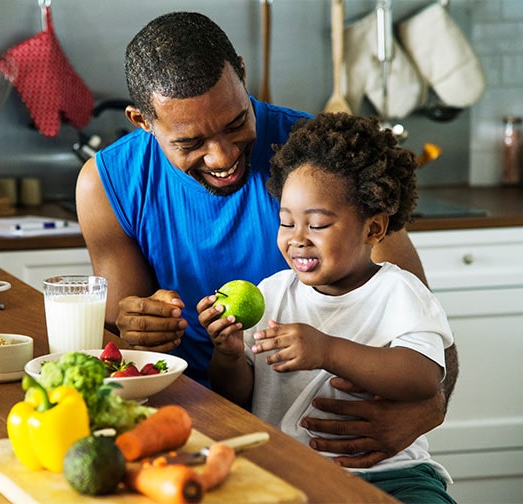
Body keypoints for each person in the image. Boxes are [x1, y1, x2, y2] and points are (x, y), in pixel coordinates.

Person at [76, 11, 459, 468]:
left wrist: (428, 409)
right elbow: (124, 349)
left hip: (332, 444)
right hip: (180, 424)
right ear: (143, 121)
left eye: (236, 122)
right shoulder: (107, 184)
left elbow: (426, 329)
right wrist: (137, 327)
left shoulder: (319, 162)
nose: (222, 156)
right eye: (190, 142)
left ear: (241, 71)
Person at [197, 112, 456, 503]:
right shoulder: (273, 293)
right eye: (287, 223)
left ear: (373, 229)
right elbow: (239, 398)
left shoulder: (399, 293)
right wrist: (229, 356)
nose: (297, 240)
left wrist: (327, 350)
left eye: (316, 225)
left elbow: (423, 378)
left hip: (391, 473)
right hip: (287, 470)